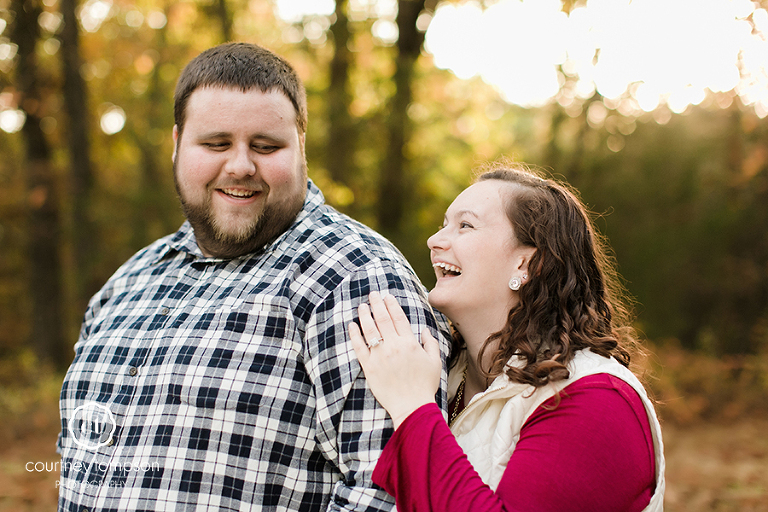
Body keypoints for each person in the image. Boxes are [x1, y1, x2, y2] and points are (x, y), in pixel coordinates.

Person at [57, 42, 449, 512]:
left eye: (266, 146)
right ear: (177, 144)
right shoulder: (126, 285)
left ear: (300, 148)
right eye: (216, 143)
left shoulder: (355, 279)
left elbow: (391, 494)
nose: (241, 165)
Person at [349, 163, 665, 512]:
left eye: (465, 225)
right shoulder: (441, 370)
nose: (434, 241)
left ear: (525, 265)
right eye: (443, 225)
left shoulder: (597, 399)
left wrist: (411, 405)